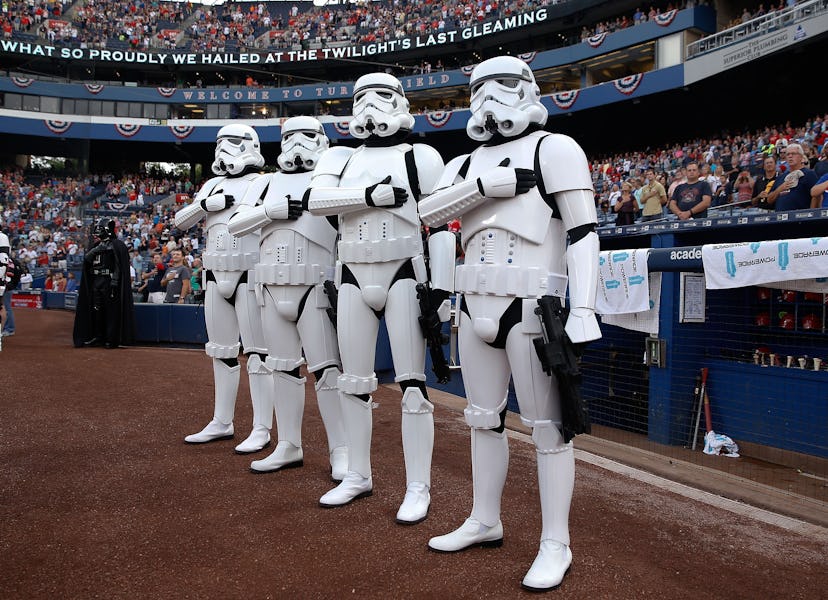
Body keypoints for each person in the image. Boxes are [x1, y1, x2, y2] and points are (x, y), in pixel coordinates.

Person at [419, 55, 601, 591]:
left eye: (501, 85)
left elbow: (584, 233)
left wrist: (585, 307)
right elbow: (431, 217)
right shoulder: (458, 168)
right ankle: (484, 517)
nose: (488, 98)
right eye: (477, 88)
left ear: (527, 88)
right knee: (481, 418)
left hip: (532, 305)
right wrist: (493, 186)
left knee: (548, 427)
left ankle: (555, 541)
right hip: (475, 303)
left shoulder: (555, 149)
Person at [306, 72, 452, 525]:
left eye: (382, 96)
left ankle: (418, 486)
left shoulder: (420, 155)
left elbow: (443, 223)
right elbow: (316, 200)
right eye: (361, 97)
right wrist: (371, 196)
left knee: (412, 384)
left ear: (400, 102)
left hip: (405, 271)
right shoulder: (338, 157)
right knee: (353, 381)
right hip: (351, 271)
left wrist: (444, 288)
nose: (370, 106)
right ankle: (358, 474)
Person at [227, 116, 348, 480]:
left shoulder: (331, 176)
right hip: (271, 284)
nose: (297, 143)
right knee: (281, 366)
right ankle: (288, 443)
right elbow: (235, 224)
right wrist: (269, 211)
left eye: (307, 135)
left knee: (327, 369)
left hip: (316, 282)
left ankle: (341, 448)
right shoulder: (265, 184)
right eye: (289, 136)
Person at [175, 124, 273, 455]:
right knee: (220, 350)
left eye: (230, 142)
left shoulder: (262, 181)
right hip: (216, 272)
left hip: (249, 272)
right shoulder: (212, 184)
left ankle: (262, 426)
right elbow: (180, 221)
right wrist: (207, 205)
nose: (222, 149)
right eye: (219, 143)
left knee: (258, 354)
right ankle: (222, 420)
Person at [72, 218, 135, 349]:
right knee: (97, 309)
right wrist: (98, 249)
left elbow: (119, 265)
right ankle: (98, 336)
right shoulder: (96, 246)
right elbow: (87, 259)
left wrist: (115, 281)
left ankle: (111, 338)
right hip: (96, 280)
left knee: (111, 310)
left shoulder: (116, 246)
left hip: (109, 280)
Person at [767, 143, 818, 211]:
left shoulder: (809, 174)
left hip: (801, 218)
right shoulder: (780, 177)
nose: (790, 156)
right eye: (788, 154)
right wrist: (780, 189)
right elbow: (769, 200)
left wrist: (812, 214)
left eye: (793, 154)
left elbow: (817, 196)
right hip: (780, 218)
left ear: (801, 157)